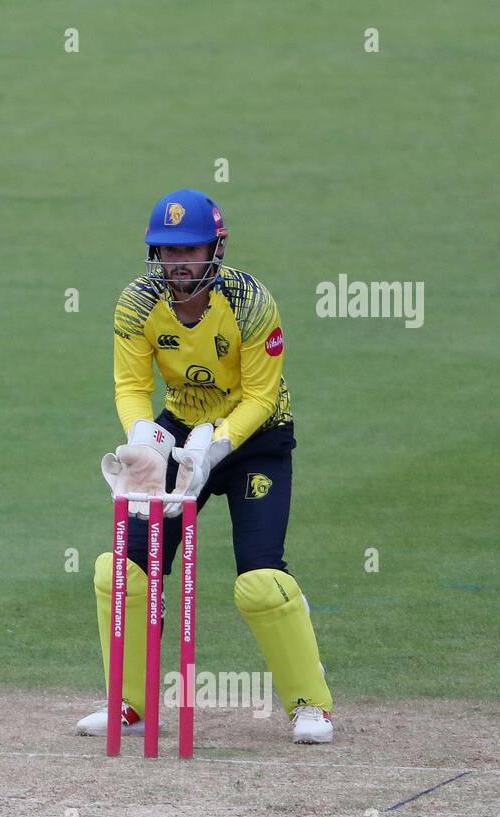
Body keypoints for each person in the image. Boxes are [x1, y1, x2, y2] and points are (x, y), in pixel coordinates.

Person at [79, 189, 335, 745]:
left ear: (215, 249)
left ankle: (310, 706)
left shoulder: (250, 302)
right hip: (178, 433)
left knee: (262, 579)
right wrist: (143, 437)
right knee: (123, 569)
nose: (177, 264)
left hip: (254, 440)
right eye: (167, 252)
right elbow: (131, 386)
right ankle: (133, 705)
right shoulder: (137, 302)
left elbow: (262, 397)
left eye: (188, 250)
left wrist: (212, 448)